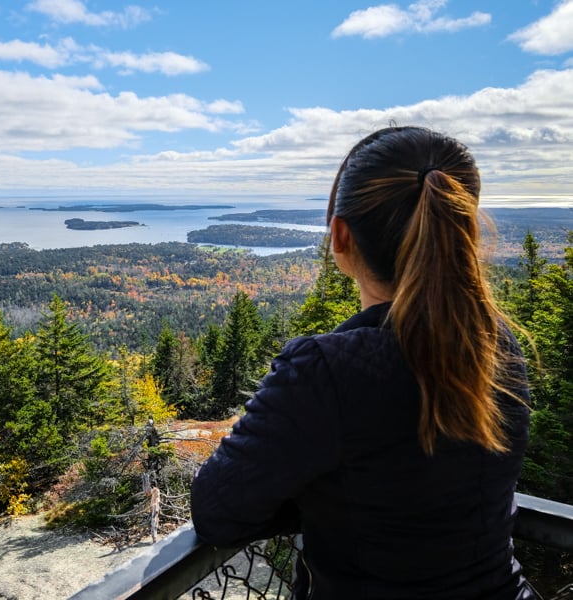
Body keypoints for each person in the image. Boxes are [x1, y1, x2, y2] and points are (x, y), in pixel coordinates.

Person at [190, 126, 534, 599]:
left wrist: (316, 489)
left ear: (340, 236)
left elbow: (217, 510)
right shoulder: (497, 346)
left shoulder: (325, 372)